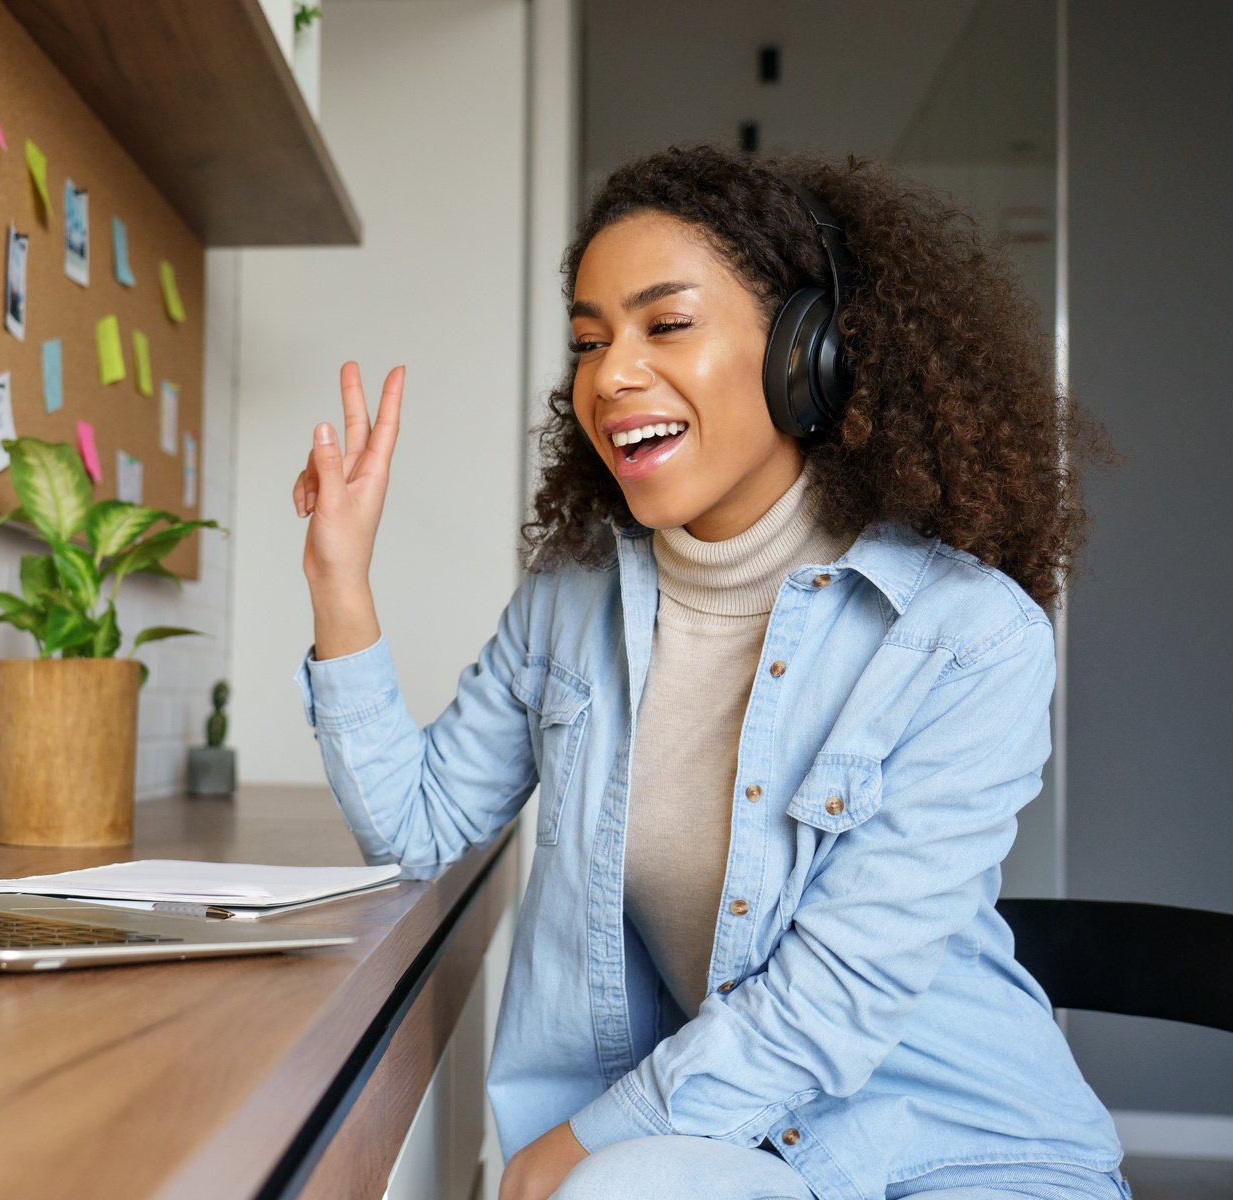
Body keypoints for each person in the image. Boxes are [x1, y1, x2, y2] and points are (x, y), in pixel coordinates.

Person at [287, 144, 1130, 1200]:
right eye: (590, 341)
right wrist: (339, 578)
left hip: (960, 1151)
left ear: (806, 353)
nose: (612, 375)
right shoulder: (570, 598)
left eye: (665, 324)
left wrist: (587, 1142)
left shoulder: (966, 635)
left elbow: (834, 997)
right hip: (725, 1151)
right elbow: (417, 832)